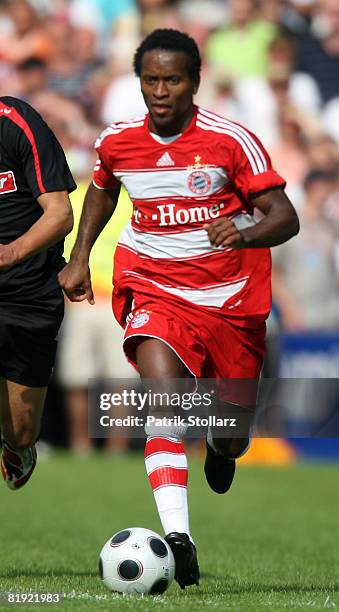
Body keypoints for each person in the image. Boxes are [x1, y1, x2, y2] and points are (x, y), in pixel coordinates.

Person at [59, 29, 299, 589]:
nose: (161, 90)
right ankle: (179, 537)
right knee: (162, 399)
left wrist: (243, 233)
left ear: (195, 82)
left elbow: (284, 216)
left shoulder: (231, 140)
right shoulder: (118, 140)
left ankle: (222, 443)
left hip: (231, 301)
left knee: (232, 430)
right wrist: (79, 256)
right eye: (151, 80)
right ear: (139, 82)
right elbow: (102, 187)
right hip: (156, 287)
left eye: (172, 80)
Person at [0, 96, 75, 490]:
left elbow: (61, 214)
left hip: (26, 292)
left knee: (22, 429)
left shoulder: (16, 122)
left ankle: (17, 447)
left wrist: (10, 253)